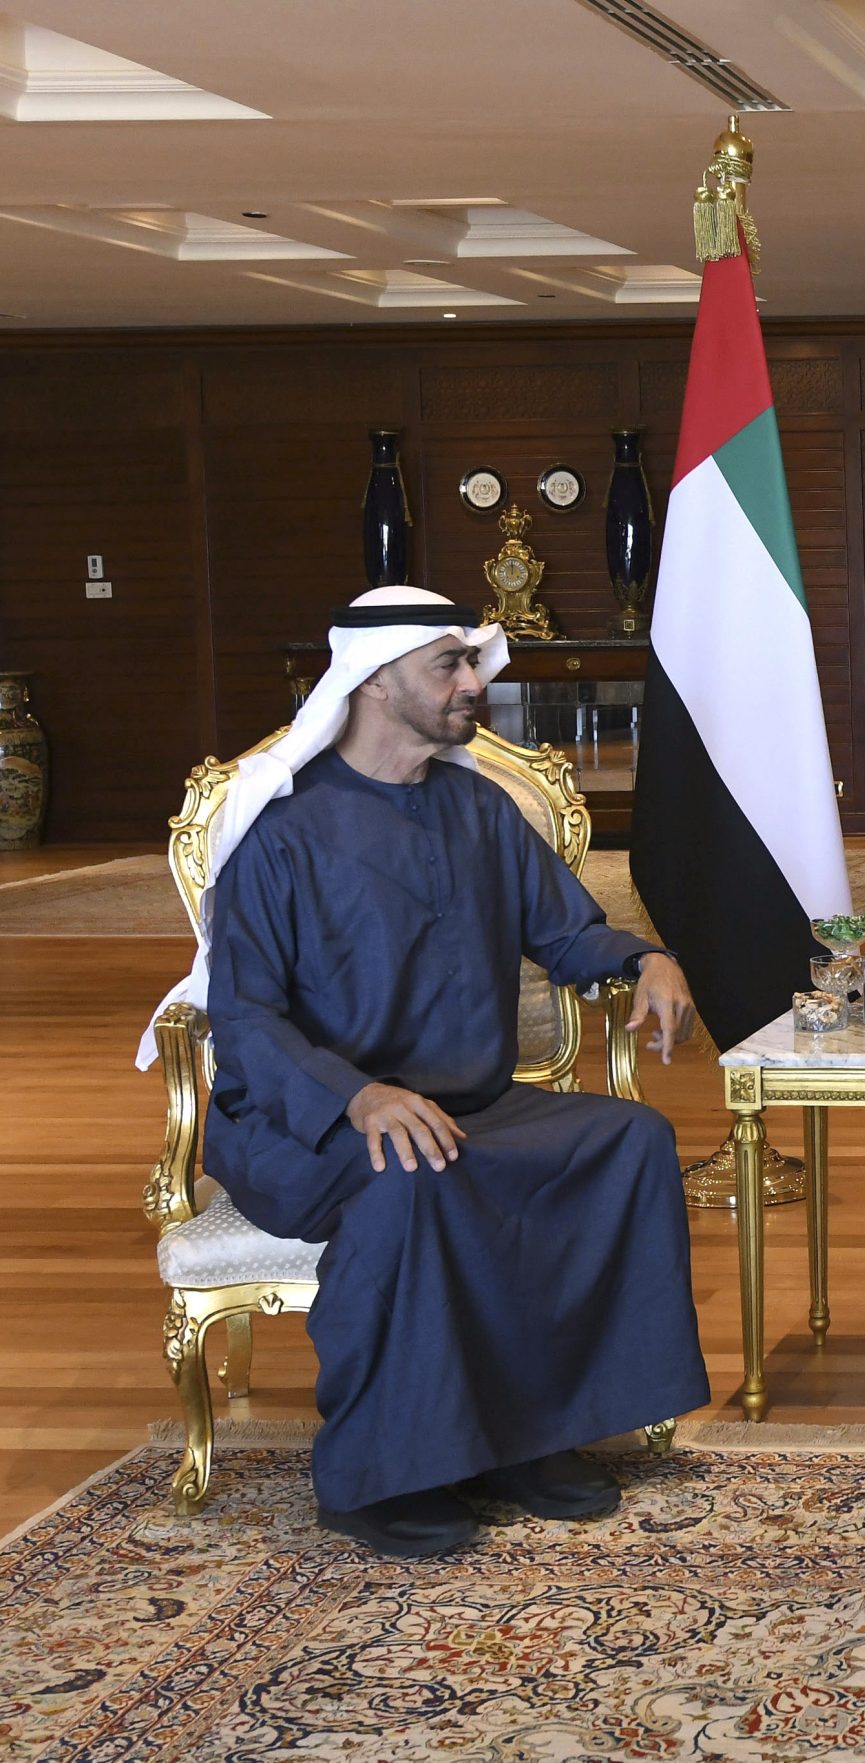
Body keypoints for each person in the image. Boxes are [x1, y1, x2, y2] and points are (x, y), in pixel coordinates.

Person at [152, 586, 712, 1559]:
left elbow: (565, 931)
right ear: (375, 681)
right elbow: (244, 1019)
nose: (471, 682)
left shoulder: (479, 808)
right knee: (412, 1170)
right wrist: (358, 1095)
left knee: (629, 1141)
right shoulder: (282, 830)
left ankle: (529, 1438)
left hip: (468, 1100)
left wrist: (644, 959)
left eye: (470, 662)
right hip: (304, 1121)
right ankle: (382, 1473)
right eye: (448, 664)